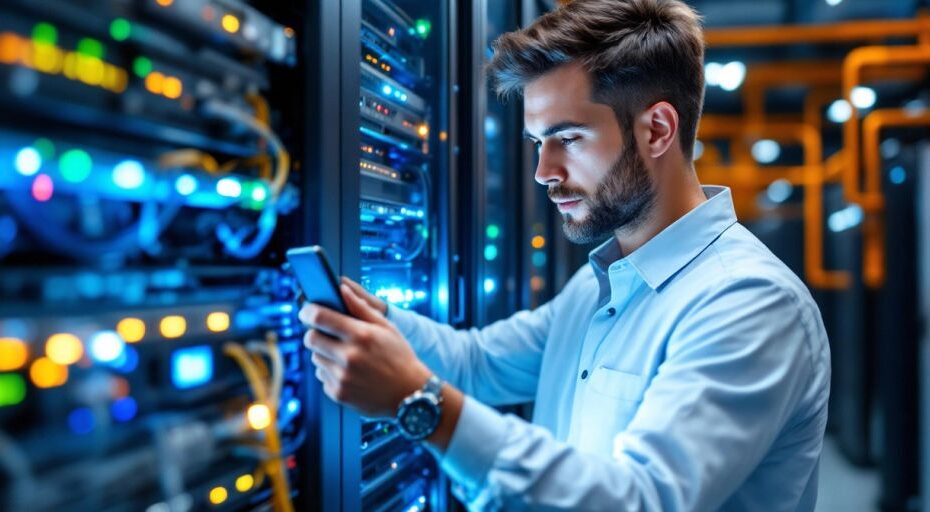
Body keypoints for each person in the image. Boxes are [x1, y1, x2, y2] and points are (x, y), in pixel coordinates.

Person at [299, 0, 831, 509]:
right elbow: (478, 363)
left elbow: (645, 500)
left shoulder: (749, 304)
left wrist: (420, 404)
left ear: (658, 130)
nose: (543, 172)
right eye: (537, 143)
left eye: (568, 138)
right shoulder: (601, 283)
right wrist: (374, 319)